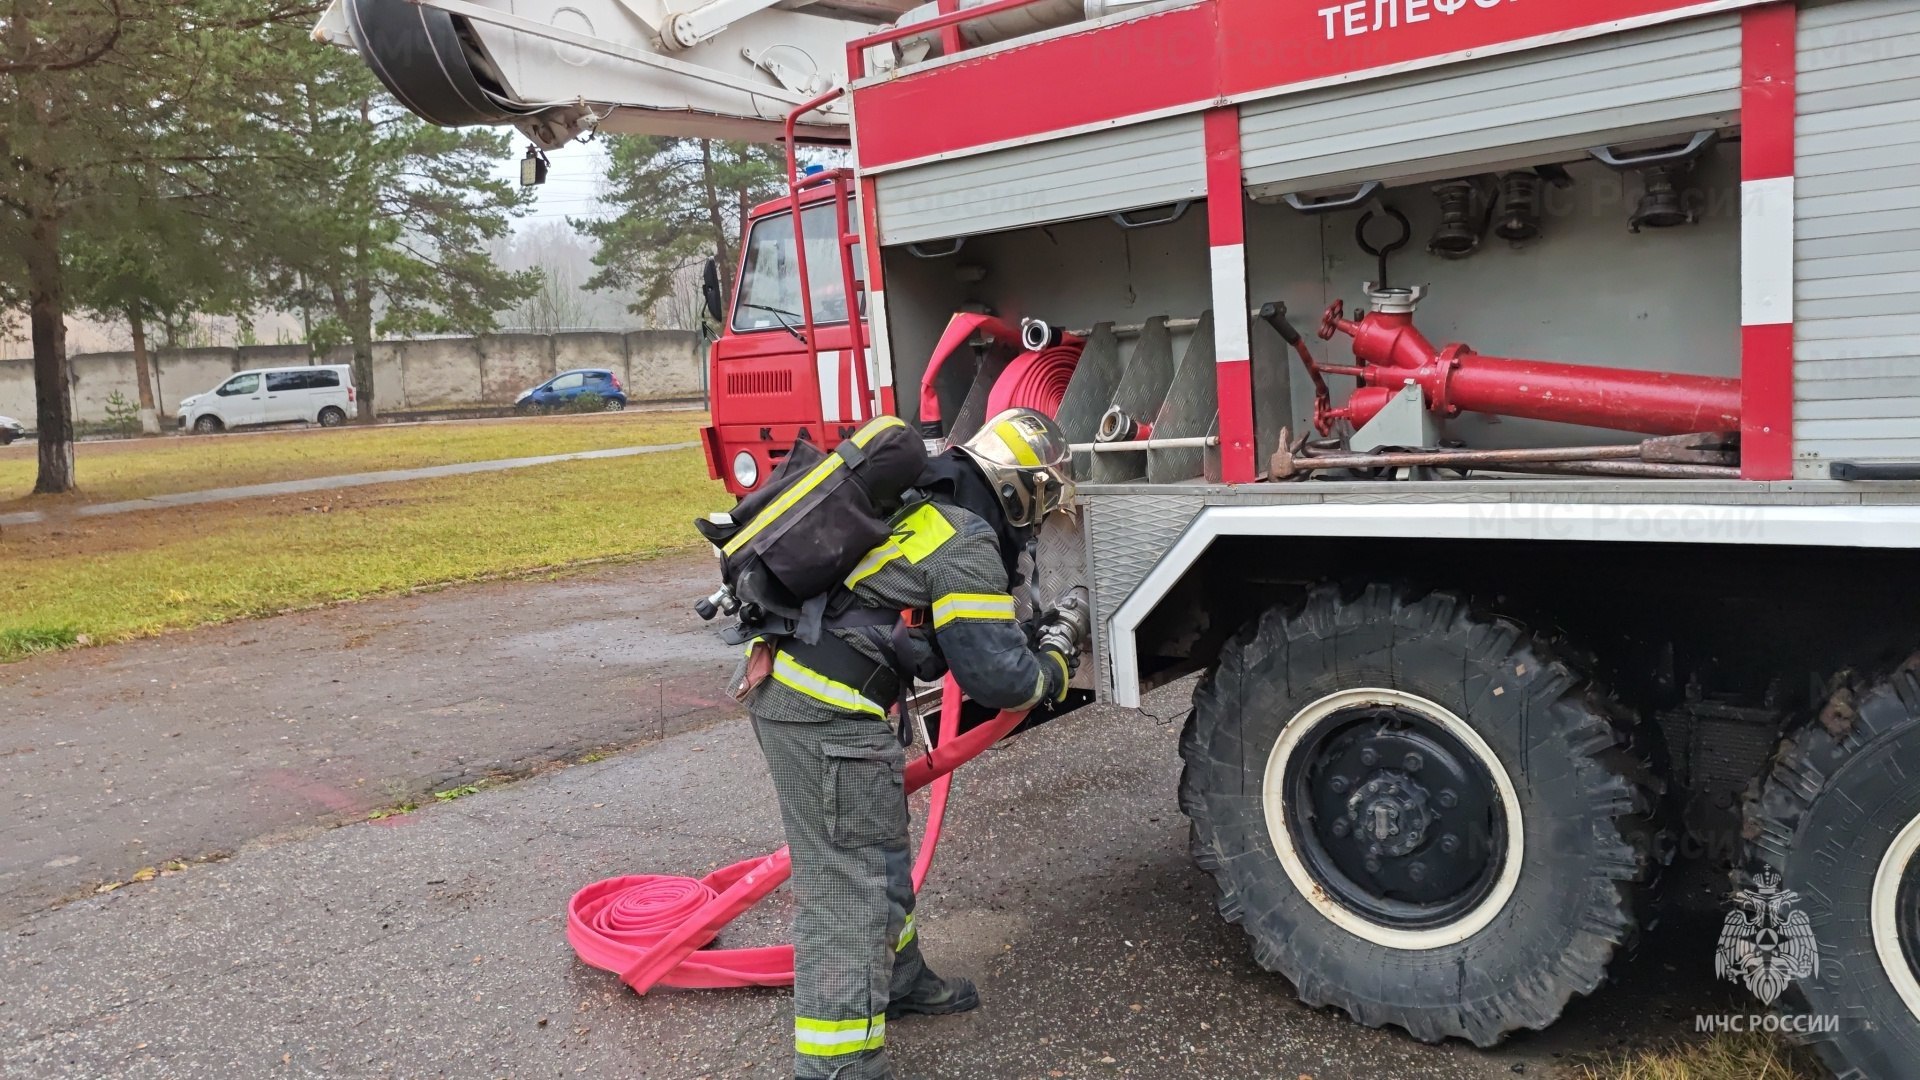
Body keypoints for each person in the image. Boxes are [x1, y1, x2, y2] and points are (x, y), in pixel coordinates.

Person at [744, 408, 1085, 1080]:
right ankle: (838, 1066)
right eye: (1040, 501)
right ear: (1018, 490)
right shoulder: (965, 537)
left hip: (800, 692)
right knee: (847, 894)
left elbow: (904, 620)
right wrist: (1055, 659)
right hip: (826, 717)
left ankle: (899, 983)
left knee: (877, 851)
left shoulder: (916, 503)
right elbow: (1002, 679)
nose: (1037, 520)